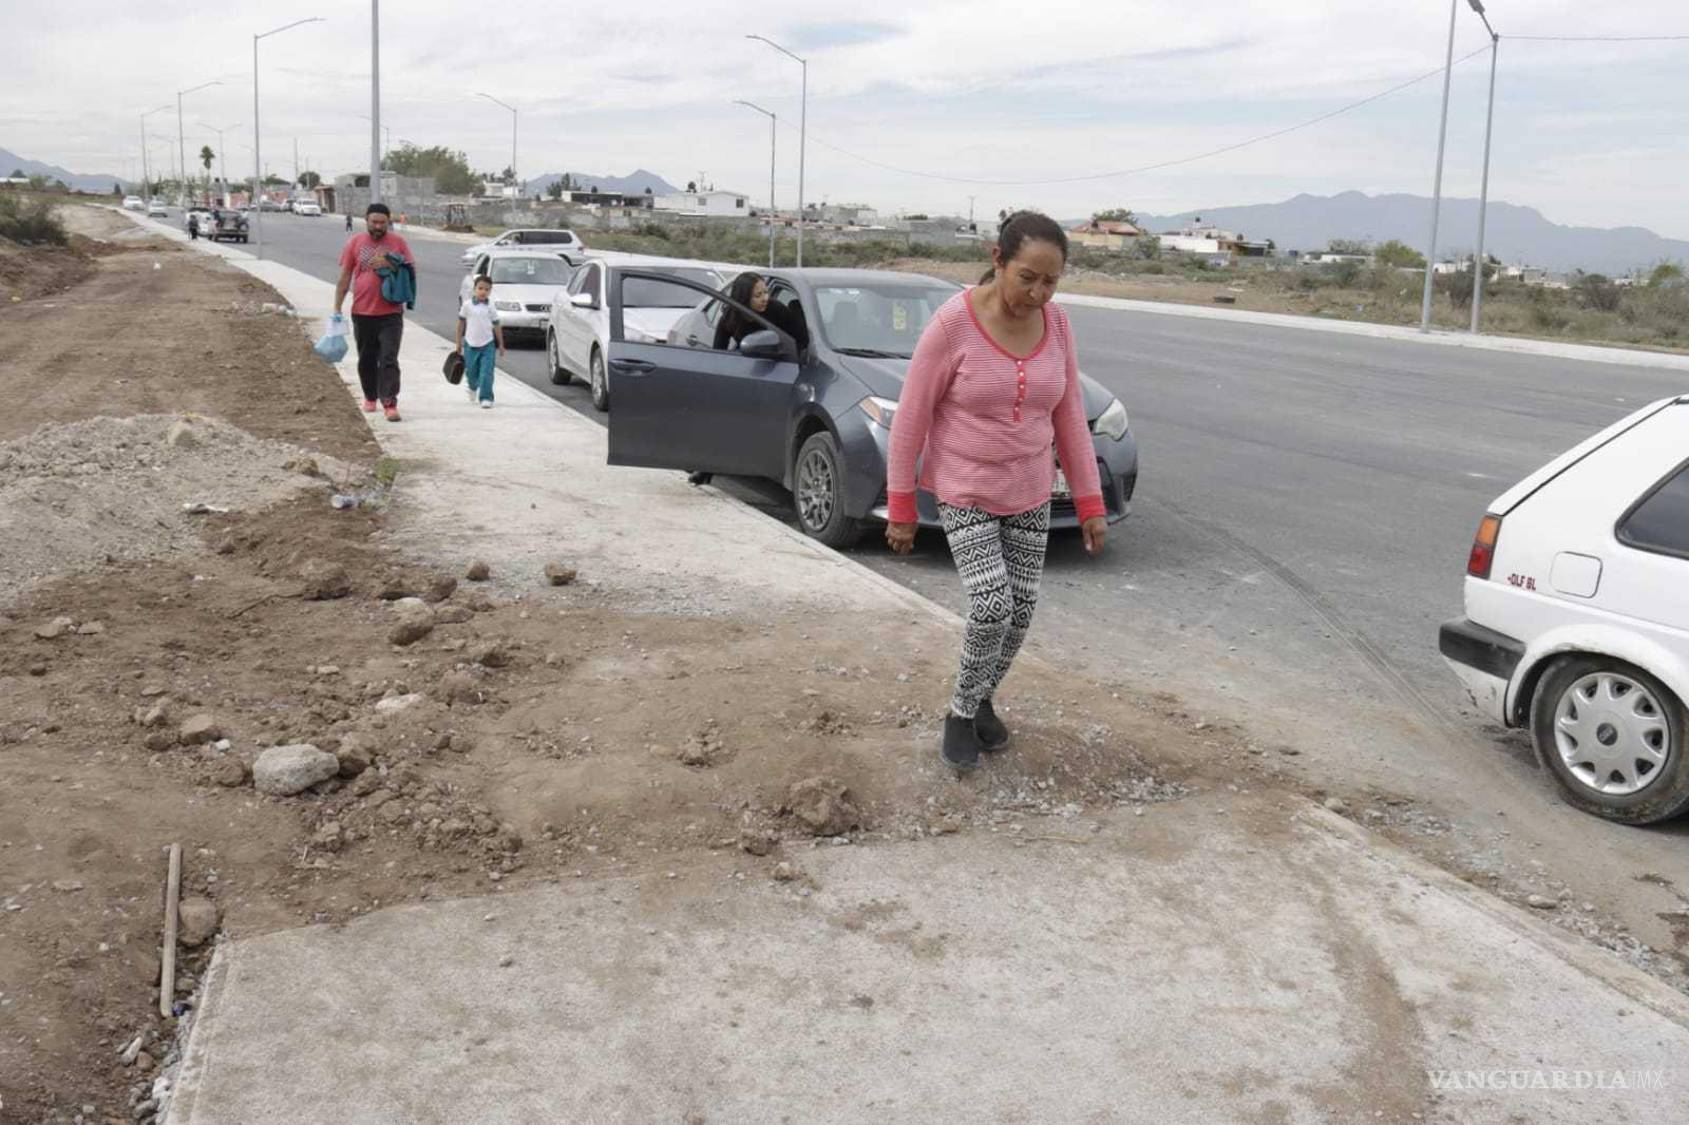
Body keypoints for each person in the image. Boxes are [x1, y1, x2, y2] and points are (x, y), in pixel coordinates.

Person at [884, 210, 1108, 772]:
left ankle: (983, 694)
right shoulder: (952, 325)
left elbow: (1069, 413)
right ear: (997, 260)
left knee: (1022, 610)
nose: (1038, 292)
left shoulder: (1057, 326)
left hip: (1032, 487)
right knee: (991, 606)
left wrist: (1089, 502)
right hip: (965, 487)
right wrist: (903, 505)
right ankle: (961, 712)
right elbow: (911, 416)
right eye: (1026, 276)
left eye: (1051, 281)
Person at [332, 202, 416, 422]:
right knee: (366, 358)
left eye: (382, 223)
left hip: (391, 313)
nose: (378, 226)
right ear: (366, 221)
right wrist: (337, 306)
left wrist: (392, 264)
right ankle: (370, 396)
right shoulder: (355, 242)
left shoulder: (398, 243)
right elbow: (345, 276)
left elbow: (411, 270)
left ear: (389, 222)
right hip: (362, 311)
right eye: (374, 222)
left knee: (389, 358)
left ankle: (389, 402)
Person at [713, 271, 809, 353]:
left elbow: (802, 341)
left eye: (766, 292)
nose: (765, 298)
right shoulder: (730, 317)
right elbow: (718, 353)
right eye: (758, 295)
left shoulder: (776, 309)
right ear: (744, 298)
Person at [455, 275, 506, 409]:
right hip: (470, 344)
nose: (483, 291)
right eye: (480, 288)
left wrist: (500, 344)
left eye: (487, 289)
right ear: (474, 289)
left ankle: (486, 397)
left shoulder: (490, 307)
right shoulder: (467, 305)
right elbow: (461, 323)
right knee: (471, 372)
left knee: (486, 373)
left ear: (490, 291)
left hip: (487, 344)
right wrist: (458, 342)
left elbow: (496, 325)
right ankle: (472, 387)